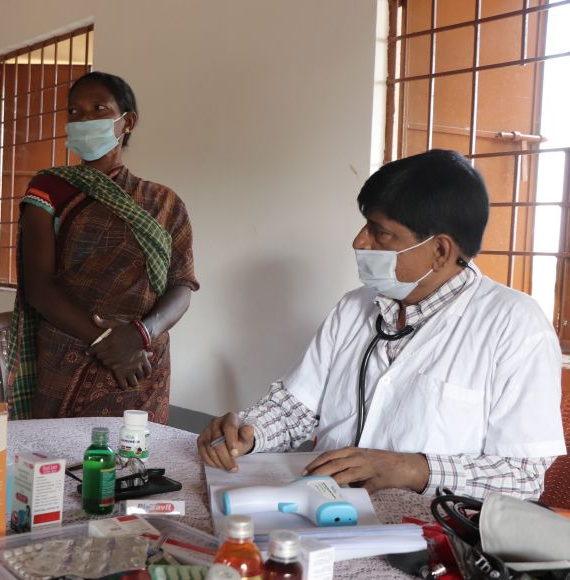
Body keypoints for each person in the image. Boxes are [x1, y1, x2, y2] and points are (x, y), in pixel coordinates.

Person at [197, 150, 566, 500]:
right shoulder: (354, 307)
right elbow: (297, 407)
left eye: (381, 232)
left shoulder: (515, 326)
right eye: (365, 226)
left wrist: (414, 469)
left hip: (428, 528)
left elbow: (523, 477)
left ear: (440, 250)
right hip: (323, 506)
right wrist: (248, 431)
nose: (359, 241)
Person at [6, 72, 199, 423]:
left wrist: (139, 335)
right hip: (69, 356)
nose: (83, 119)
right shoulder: (49, 188)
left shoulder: (164, 203)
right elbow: (38, 288)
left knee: (137, 454)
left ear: (128, 121)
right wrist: (106, 341)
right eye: (74, 111)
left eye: (98, 109)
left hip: (142, 363)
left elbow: (182, 287)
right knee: (55, 454)